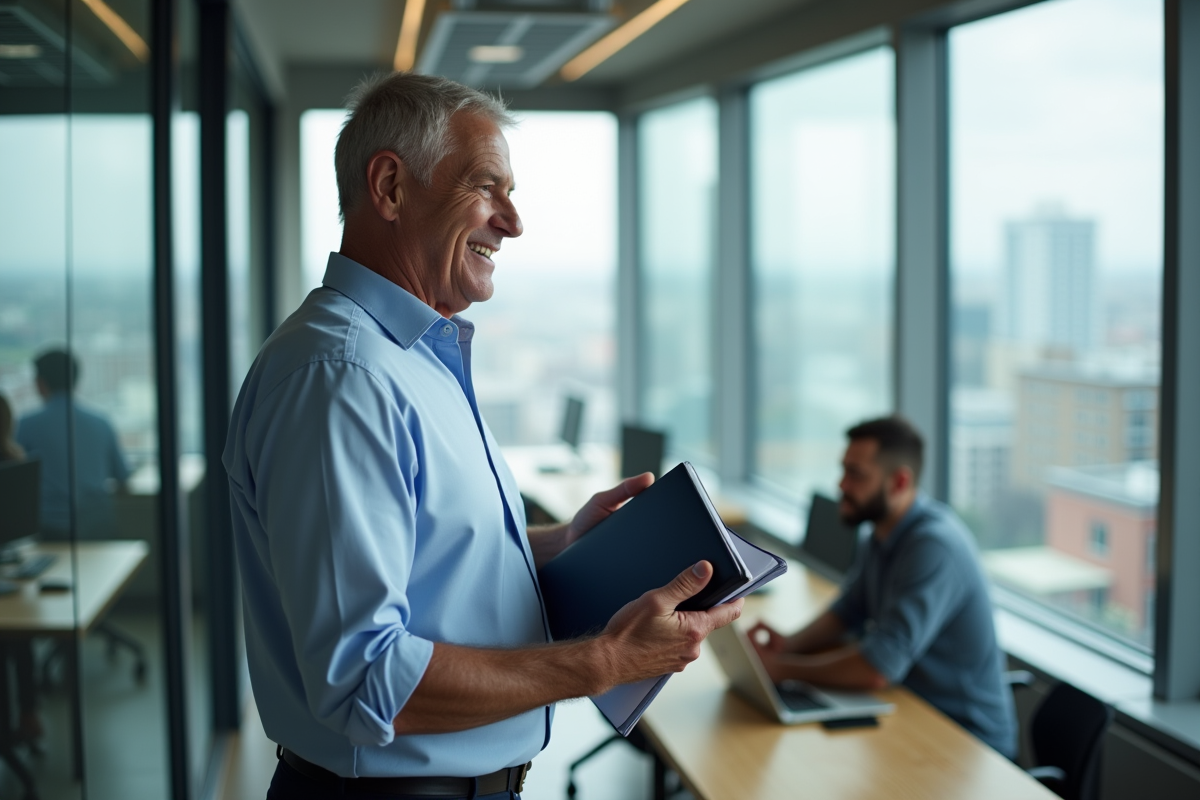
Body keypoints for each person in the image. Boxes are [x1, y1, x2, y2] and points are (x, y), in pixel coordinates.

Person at [223, 72, 742, 800]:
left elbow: (413, 555)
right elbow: (364, 680)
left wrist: (557, 547)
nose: (513, 222)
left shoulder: (408, 359)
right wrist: (604, 661)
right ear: (391, 187)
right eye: (486, 187)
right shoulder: (341, 378)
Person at [749, 416, 1017, 758]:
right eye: (843, 470)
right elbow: (849, 612)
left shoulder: (934, 547)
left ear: (900, 481)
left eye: (856, 474)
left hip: (967, 743)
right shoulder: (880, 531)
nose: (841, 485)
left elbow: (877, 668)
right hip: (909, 710)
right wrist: (787, 645)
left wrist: (783, 670)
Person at [16, 349, 130, 540]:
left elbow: (15, 481)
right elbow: (123, 480)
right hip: (97, 525)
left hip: (49, 528)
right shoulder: (101, 423)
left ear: (40, 383)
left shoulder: (27, 425)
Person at [0, 394, 41, 745]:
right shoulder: (13, 458)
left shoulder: (13, 457)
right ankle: (27, 715)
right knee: (19, 636)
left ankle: (23, 716)